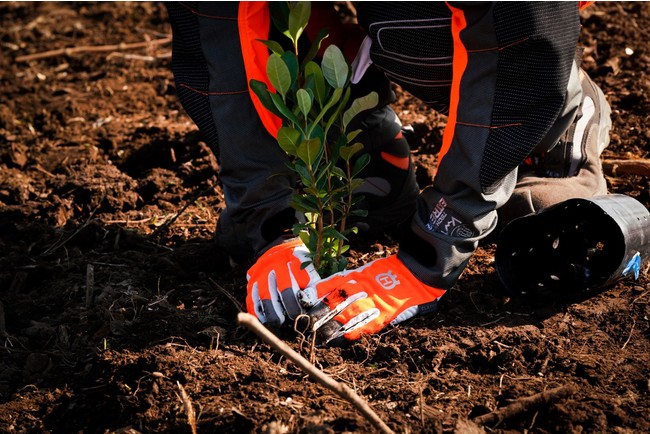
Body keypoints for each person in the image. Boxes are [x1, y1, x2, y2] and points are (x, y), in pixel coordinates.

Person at [165, 2, 611, 344]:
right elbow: (217, 41)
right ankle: (366, 154)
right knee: (281, 20)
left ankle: (553, 132)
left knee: (412, 29)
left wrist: (428, 255)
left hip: (519, 23)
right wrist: (269, 221)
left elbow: (523, 37)